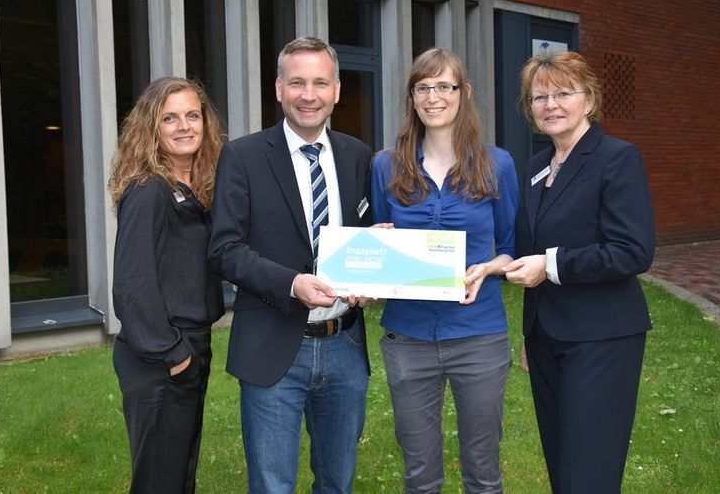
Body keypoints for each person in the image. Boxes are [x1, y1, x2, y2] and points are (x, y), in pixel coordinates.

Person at [208, 37, 374, 493]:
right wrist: (292, 283)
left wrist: (374, 273)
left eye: (320, 82)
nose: (309, 94)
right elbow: (224, 249)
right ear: (279, 88)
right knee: (271, 484)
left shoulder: (358, 156)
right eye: (297, 82)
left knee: (337, 483)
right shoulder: (241, 156)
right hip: (273, 344)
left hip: (344, 346)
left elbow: (368, 239)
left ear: (337, 90)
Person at [504, 51, 655, 493]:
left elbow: (632, 251)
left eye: (563, 93)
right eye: (539, 97)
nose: (550, 104)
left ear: (588, 100)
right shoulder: (534, 167)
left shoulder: (617, 158)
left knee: (588, 469)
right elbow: (524, 247)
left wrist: (550, 265)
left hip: (601, 337)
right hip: (548, 336)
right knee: (562, 462)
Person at [370, 47, 519, 493]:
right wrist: (377, 254)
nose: (433, 97)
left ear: (464, 93)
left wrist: (489, 267)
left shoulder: (498, 165)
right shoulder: (386, 165)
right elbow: (383, 239)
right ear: (412, 97)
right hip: (408, 338)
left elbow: (512, 248)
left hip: (479, 335)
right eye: (423, 87)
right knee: (419, 475)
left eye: (444, 86)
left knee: (483, 471)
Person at [109, 77, 225, 494]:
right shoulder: (149, 189)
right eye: (169, 118)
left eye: (192, 115)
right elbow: (132, 283)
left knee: (177, 476)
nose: (184, 126)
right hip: (160, 353)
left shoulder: (197, 187)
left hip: (190, 345)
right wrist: (174, 354)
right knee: (160, 481)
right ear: (151, 128)